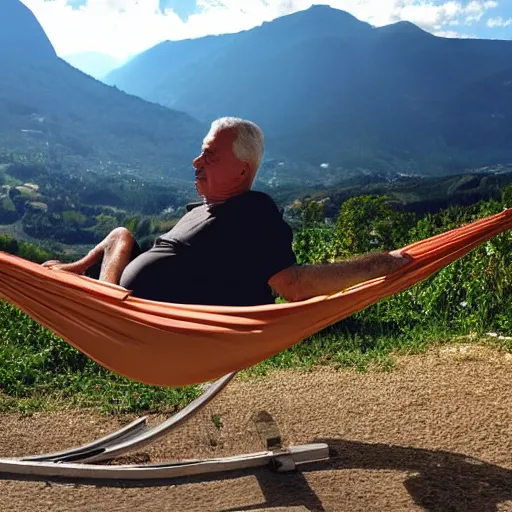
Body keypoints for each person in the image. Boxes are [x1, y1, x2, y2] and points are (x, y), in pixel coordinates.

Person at [42, 117, 410, 305]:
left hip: (139, 323)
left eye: (210, 156)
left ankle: (87, 291)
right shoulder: (204, 208)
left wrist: (380, 264)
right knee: (121, 234)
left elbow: (294, 285)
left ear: (243, 169)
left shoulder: (253, 211)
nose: (196, 161)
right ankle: (78, 275)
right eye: (202, 151)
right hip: (120, 307)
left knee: (119, 240)